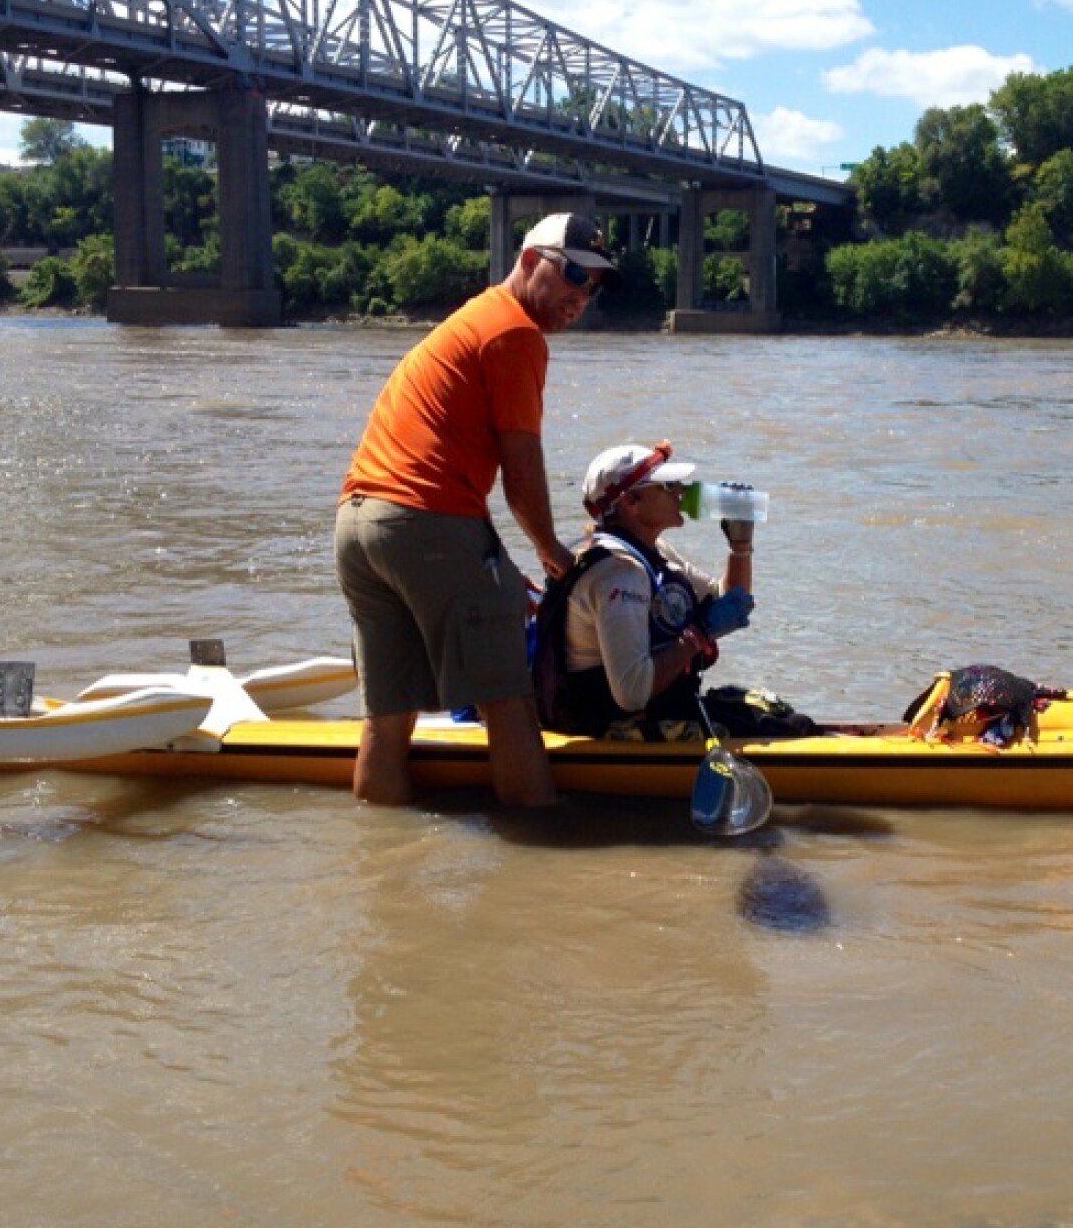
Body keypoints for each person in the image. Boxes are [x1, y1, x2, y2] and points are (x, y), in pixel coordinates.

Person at [334, 212, 620, 807]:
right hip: (425, 525)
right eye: (572, 273)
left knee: (387, 718)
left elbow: (438, 464)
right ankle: (538, 871)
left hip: (360, 525)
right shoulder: (516, 332)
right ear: (528, 261)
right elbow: (520, 469)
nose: (581, 295)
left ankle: (378, 873)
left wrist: (490, 556)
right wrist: (551, 553)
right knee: (508, 700)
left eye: (594, 284)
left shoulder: (472, 319)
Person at [534, 441, 820, 742]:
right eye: (668, 485)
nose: (681, 491)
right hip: (609, 724)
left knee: (780, 716)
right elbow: (632, 694)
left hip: (659, 707)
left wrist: (740, 546)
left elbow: (732, 602)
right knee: (790, 729)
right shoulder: (620, 573)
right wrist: (700, 633)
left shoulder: (653, 552)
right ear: (632, 502)